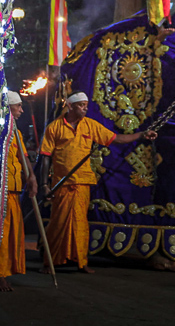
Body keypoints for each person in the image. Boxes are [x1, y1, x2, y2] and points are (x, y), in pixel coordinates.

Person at [37, 92, 157, 273]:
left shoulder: (90, 126)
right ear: (70, 106)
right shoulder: (54, 128)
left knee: (80, 223)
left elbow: (116, 138)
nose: (85, 108)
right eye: (81, 105)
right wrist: (43, 184)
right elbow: (45, 156)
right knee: (58, 222)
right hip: (61, 183)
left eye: (86, 105)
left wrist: (141, 135)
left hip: (83, 181)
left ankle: (81, 262)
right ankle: (51, 262)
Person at [0, 91, 39, 292]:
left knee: (12, 233)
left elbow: (23, 157)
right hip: (0, 189)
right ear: (7, 108)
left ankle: (7, 269)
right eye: (18, 106)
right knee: (1, 234)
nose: (21, 110)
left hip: (14, 189)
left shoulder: (17, 133)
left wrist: (31, 177)